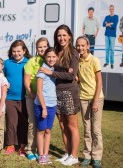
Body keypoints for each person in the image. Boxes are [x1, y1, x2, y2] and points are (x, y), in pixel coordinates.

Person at [39, 24, 80, 166]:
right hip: (57, 91)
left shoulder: (73, 52)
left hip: (69, 92)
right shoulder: (56, 51)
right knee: (62, 125)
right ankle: (68, 153)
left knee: (72, 126)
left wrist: (52, 72)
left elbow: (71, 76)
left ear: (69, 36)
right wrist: (64, 72)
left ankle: (74, 156)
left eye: (64, 35)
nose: (61, 38)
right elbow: (61, 70)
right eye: (59, 35)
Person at [76, 36, 104, 168]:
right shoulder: (78, 61)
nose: (80, 48)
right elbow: (79, 79)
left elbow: (99, 81)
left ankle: (97, 157)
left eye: (83, 45)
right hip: (83, 98)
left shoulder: (94, 60)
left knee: (96, 129)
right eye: (78, 45)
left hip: (95, 98)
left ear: (88, 46)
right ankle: (87, 156)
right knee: (87, 129)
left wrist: (95, 101)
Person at [24, 37, 50, 160]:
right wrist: (31, 93)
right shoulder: (32, 61)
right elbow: (27, 80)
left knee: (43, 125)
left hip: (47, 98)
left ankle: (42, 149)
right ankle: (30, 148)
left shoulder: (51, 59)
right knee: (33, 122)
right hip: (32, 96)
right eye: (40, 47)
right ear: (36, 49)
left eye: (45, 46)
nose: (42, 49)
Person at [3, 40, 31, 156]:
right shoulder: (7, 63)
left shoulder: (28, 63)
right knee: (11, 122)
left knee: (23, 123)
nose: (16, 53)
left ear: (24, 51)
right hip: (10, 98)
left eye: (19, 51)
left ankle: (23, 145)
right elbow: (1, 76)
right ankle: (10, 144)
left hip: (25, 98)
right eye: (14, 51)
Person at [35, 47, 58, 165]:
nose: (51, 59)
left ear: (57, 57)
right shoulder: (42, 71)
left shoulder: (54, 70)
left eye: (54, 56)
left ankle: (46, 154)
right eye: (49, 56)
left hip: (52, 105)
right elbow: (39, 91)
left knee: (48, 130)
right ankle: (41, 155)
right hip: (42, 105)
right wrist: (43, 108)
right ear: (45, 57)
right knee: (41, 130)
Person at [103, 5, 119, 69]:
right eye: (110, 9)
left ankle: (112, 63)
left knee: (112, 49)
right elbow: (103, 24)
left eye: (112, 9)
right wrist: (110, 23)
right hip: (106, 35)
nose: (111, 10)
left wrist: (108, 24)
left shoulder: (116, 17)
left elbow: (114, 26)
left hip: (112, 35)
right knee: (107, 49)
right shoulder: (107, 17)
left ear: (114, 9)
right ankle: (107, 62)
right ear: (109, 10)